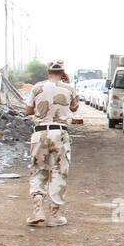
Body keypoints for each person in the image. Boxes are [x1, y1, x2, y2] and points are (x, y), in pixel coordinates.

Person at [24, 60, 78, 227]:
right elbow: (75, 108)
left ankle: (37, 210)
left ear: (47, 72)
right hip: (60, 133)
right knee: (59, 172)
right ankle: (54, 216)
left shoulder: (37, 87)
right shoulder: (69, 89)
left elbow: (28, 111)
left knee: (38, 171)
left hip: (39, 133)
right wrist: (66, 84)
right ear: (63, 73)